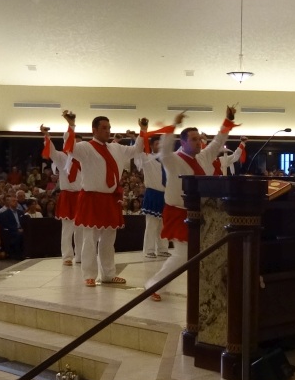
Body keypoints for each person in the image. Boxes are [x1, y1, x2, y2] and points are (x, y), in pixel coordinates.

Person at [145, 106, 240, 301]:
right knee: (182, 255)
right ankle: (154, 285)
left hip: (199, 212)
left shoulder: (203, 157)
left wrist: (227, 122)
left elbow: (217, 142)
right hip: (178, 212)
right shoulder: (172, 160)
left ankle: (202, 287)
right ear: (184, 142)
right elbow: (163, 149)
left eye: (199, 139)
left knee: (199, 253)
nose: (199, 142)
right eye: (194, 139)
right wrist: (173, 125)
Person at [62, 111, 147, 287]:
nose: (108, 131)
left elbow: (137, 149)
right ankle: (89, 275)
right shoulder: (85, 147)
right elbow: (69, 147)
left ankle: (108, 274)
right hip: (92, 198)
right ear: (94, 130)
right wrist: (71, 126)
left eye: (109, 127)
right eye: (104, 128)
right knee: (90, 240)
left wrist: (143, 130)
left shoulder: (116, 148)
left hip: (110, 199)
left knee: (109, 239)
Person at [43, 126, 84, 266]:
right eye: (73, 142)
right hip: (67, 195)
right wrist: (47, 136)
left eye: (78, 143)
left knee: (81, 229)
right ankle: (67, 256)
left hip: (81, 196)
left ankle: (80, 255)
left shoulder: (85, 160)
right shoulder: (62, 158)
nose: (75, 146)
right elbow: (52, 152)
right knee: (67, 229)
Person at [134, 137, 171, 258]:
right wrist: (139, 137)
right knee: (151, 225)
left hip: (165, 195)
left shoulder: (167, 160)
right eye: (156, 144)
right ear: (151, 145)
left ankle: (162, 248)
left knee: (163, 225)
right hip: (153, 193)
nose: (159, 146)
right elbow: (137, 153)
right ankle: (149, 250)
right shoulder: (147, 158)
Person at [0, 195, 25, 260]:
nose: (15, 202)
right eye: (13, 201)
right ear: (9, 203)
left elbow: (23, 223)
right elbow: (7, 225)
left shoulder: (20, 212)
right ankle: (18, 254)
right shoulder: (5, 214)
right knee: (19, 235)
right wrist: (17, 229)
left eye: (16, 201)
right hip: (11, 232)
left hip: (21, 230)